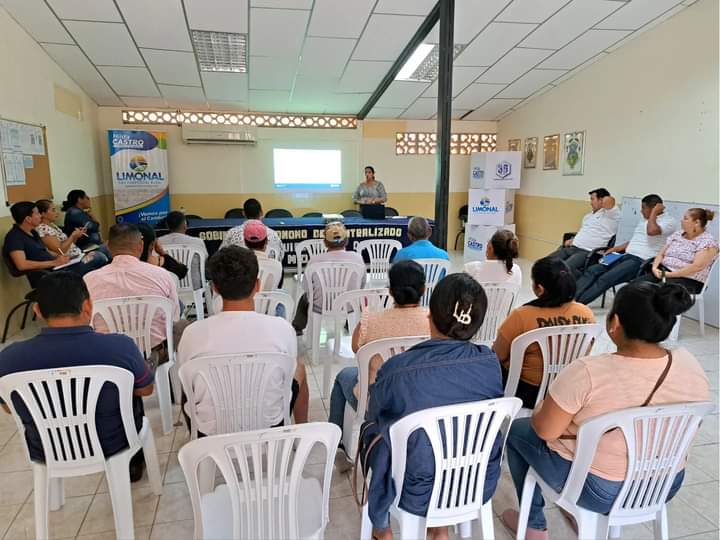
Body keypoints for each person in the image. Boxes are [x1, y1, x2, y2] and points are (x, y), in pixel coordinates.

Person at [500, 281, 709, 540]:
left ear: (615, 323)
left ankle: (534, 525)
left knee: (518, 431)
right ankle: (571, 512)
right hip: (665, 485)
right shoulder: (690, 364)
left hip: (600, 491)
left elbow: (545, 431)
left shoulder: (588, 371)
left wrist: (543, 407)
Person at [363, 273, 504, 540]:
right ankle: (439, 529)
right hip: (477, 483)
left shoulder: (397, 370)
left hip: (416, 490)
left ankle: (381, 528)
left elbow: (375, 414)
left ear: (430, 315)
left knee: (374, 431)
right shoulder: (490, 363)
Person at [0, 272, 155, 481]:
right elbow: (146, 389)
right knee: (131, 392)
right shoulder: (119, 347)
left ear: (37, 310)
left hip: (47, 449)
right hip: (113, 443)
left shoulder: (8, 358)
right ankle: (132, 465)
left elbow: (9, 408)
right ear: (88, 306)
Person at [177, 246, 309, 432]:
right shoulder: (282, 328)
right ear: (257, 285)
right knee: (299, 369)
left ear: (215, 288)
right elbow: (287, 375)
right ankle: (300, 431)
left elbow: (187, 384)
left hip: (209, 431)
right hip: (269, 424)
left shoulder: (192, 333)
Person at [328, 260, 430, 466]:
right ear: (423, 289)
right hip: (421, 399)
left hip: (377, 403)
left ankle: (338, 445)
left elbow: (356, 348)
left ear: (390, 291)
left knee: (343, 376)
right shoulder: (434, 321)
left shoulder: (371, 320)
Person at [493, 257, 595, 409]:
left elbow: (497, 356)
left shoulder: (522, 315)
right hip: (566, 389)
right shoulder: (586, 313)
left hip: (526, 392)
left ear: (540, 289)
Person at [84, 223, 182, 363]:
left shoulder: (89, 280)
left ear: (108, 247)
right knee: (182, 325)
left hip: (108, 356)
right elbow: (174, 317)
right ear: (141, 246)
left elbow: (85, 322)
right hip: (152, 355)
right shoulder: (162, 275)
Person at [575, 194, 678, 305]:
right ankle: (570, 300)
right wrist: (616, 248)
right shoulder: (644, 220)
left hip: (640, 261)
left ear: (653, 208)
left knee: (606, 278)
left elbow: (651, 231)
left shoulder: (669, 221)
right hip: (624, 256)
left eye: (643, 208)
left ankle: (577, 305)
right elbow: (634, 240)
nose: (641, 211)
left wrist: (653, 213)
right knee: (593, 270)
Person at [292, 221, 366, 333]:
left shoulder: (314, 260)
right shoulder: (357, 258)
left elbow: (306, 288)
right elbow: (362, 285)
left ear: (325, 243)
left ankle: (297, 327)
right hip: (350, 305)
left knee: (304, 298)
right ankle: (351, 324)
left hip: (320, 305)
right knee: (360, 298)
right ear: (346, 241)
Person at [632, 208, 718, 294]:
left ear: (697, 222)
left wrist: (668, 275)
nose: (681, 220)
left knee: (657, 292)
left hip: (688, 279)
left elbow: (697, 266)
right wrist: (654, 268)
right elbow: (661, 254)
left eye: (685, 218)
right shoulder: (677, 234)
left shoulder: (707, 241)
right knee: (634, 287)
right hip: (664, 271)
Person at [2, 201, 99, 277]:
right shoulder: (14, 238)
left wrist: (64, 258)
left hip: (58, 266)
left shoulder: (33, 232)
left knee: (95, 258)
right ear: (28, 219)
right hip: (48, 274)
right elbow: (22, 265)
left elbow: (46, 251)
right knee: (97, 259)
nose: (40, 216)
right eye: (37, 213)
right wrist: (54, 262)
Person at [548, 188, 621, 274]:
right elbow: (584, 233)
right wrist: (573, 240)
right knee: (546, 263)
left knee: (563, 269)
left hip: (587, 252)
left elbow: (609, 200)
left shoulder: (611, 215)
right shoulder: (588, 216)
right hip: (573, 247)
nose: (590, 202)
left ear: (601, 200)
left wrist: (603, 199)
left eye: (592, 199)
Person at [36, 199, 110, 270]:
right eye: (53, 210)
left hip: (77, 255)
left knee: (106, 247)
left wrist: (76, 236)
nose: (57, 213)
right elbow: (60, 251)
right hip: (69, 262)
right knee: (99, 256)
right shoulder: (43, 229)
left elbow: (69, 245)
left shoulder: (52, 225)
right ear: (43, 214)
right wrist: (72, 236)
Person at [219, 198, 284, 259]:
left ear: (243, 213)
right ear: (261, 213)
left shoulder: (232, 233)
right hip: (269, 267)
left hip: (240, 267)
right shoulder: (273, 234)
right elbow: (280, 256)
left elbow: (221, 254)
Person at [157, 210, 208, 288]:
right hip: (195, 289)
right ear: (185, 225)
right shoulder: (198, 242)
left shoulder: (158, 243)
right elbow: (204, 261)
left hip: (168, 288)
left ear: (167, 226)